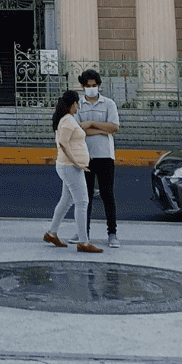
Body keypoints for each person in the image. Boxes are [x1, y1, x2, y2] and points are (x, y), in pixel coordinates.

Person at [43, 90, 103, 253]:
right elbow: (63, 143)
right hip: (70, 167)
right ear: (72, 104)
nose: (79, 105)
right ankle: (83, 242)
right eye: (77, 103)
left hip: (69, 166)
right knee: (82, 202)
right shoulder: (68, 121)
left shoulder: (68, 119)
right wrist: (76, 162)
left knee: (66, 201)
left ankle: (51, 233)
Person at [70, 69, 120, 248]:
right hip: (85, 156)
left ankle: (112, 233)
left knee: (108, 195)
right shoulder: (78, 106)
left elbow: (114, 127)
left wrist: (90, 124)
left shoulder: (109, 104)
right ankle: (84, 232)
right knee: (85, 197)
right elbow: (76, 130)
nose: (91, 88)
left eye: (94, 85)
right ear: (83, 86)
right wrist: (102, 129)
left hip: (105, 155)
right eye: (88, 86)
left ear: (98, 85)